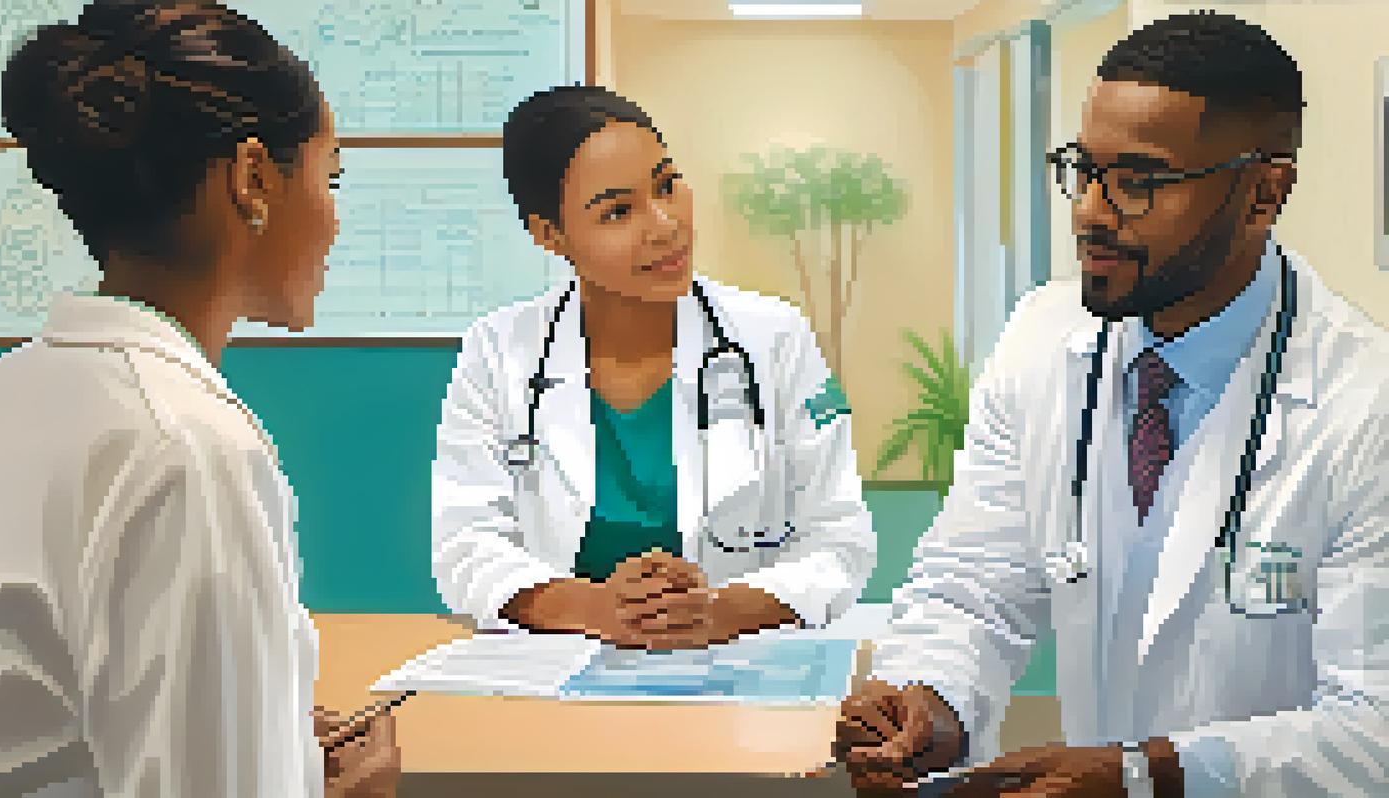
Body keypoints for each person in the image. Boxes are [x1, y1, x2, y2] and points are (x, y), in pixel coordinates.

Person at [837, 12, 1388, 798]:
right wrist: (928, 702)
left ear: (1264, 192)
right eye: (1082, 169)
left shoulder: (1364, 404)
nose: (1092, 210)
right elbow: (974, 585)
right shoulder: (1040, 338)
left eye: (1139, 181)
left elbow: (1374, 728)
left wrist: (1154, 775)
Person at [0, 2, 397, 795]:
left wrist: (259, 725)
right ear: (253, 179)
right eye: (330, 176)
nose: (336, 218)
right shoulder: (186, 449)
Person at [431, 85, 874, 649]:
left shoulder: (776, 340)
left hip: (739, 674)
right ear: (550, 235)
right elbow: (465, 544)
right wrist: (598, 609)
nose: (664, 225)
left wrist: (719, 612)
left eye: (667, 185)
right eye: (618, 211)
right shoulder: (498, 353)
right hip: (557, 669)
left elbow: (841, 536)